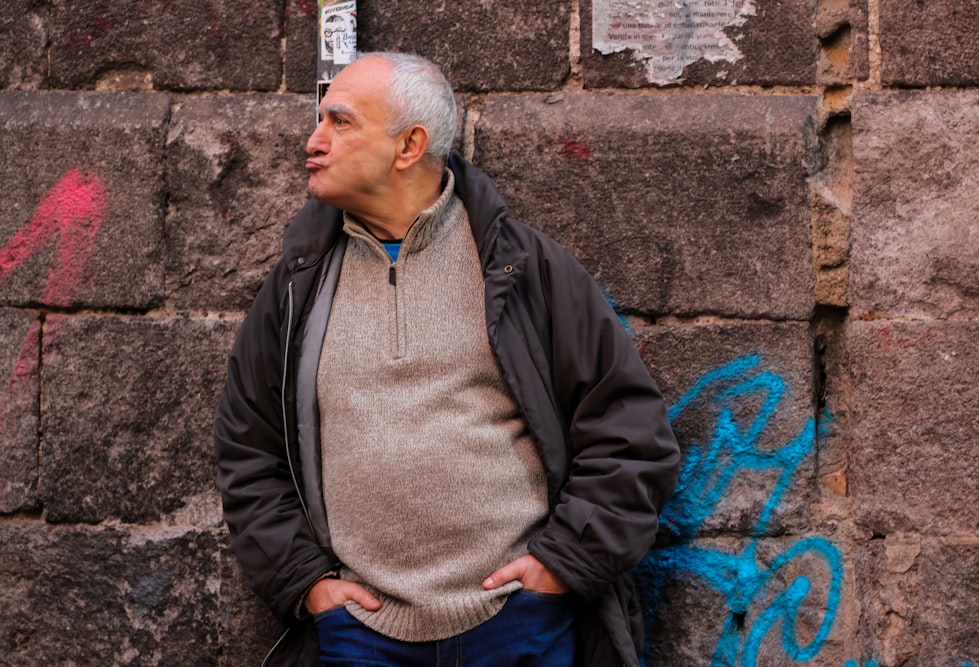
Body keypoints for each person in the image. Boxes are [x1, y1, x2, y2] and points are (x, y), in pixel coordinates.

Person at [214, 51, 680, 667]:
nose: (314, 139)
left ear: (409, 146)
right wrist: (308, 585)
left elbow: (631, 433)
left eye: (340, 122)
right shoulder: (298, 287)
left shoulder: (523, 269)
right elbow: (248, 451)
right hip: (359, 636)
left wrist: (560, 566)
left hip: (517, 626)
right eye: (320, 120)